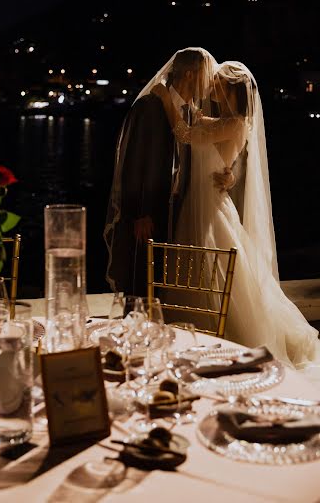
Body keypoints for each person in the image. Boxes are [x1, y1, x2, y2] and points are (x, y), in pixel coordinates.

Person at [156, 60, 320, 370]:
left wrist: (166, 101)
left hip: (210, 206)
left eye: (215, 82)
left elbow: (187, 135)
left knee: (217, 266)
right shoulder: (225, 120)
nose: (210, 86)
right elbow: (202, 128)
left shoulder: (236, 123)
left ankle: (218, 337)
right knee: (204, 264)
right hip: (202, 200)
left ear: (231, 88)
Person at [104, 48, 235, 298]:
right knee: (141, 280)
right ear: (189, 75)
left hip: (178, 208)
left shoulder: (190, 112)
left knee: (166, 281)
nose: (209, 83)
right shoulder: (148, 106)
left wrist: (228, 174)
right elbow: (131, 162)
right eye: (205, 76)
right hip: (149, 210)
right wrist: (138, 212)